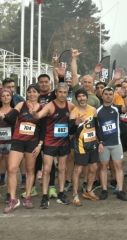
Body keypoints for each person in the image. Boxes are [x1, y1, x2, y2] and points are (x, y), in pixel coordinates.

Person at [30, 83, 75, 209]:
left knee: (62, 169)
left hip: (64, 142)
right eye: (60, 92)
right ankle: (45, 196)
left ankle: (61, 194)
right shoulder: (50, 106)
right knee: (47, 169)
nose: (62, 95)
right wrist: (34, 114)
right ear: (56, 93)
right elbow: (39, 116)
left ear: (67, 94)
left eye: (65, 92)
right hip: (50, 142)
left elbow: (77, 116)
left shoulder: (70, 106)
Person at [2, 84, 43, 213]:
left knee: (30, 171)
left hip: (32, 143)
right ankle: (13, 199)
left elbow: (43, 129)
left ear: (38, 94)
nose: (31, 94)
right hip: (18, 142)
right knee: (12, 168)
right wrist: (3, 115)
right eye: (29, 92)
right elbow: (10, 119)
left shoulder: (42, 108)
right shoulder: (21, 105)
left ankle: (28, 197)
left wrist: (39, 145)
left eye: (34, 92)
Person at [69, 89, 104, 207]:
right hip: (80, 145)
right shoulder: (74, 112)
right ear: (76, 98)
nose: (82, 98)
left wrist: (101, 141)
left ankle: (88, 190)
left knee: (94, 167)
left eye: (83, 96)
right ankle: (75, 194)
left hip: (93, 143)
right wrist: (75, 123)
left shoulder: (93, 110)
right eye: (79, 97)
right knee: (78, 169)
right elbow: (70, 131)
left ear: (87, 97)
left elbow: (97, 127)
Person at [97, 86, 127, 201]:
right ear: (102, 96)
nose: (108, 96)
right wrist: (99, 142)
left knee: (118, 166)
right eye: (106, 94)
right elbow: (96, 128)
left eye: (110, 94)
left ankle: (120, 190)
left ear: (113, 96)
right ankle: (104, 190)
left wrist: (124, 96)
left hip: (116, 143)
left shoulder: (116, 108)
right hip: (103, 144)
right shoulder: (97, 110)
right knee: (103, 167)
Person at [0, 88, 14, 203]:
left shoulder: (14, 111)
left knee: (10, 169)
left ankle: (9, 193)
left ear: (11, 97)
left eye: (7, 95)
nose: (5, 97)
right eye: (3, 95)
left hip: (10, 143)